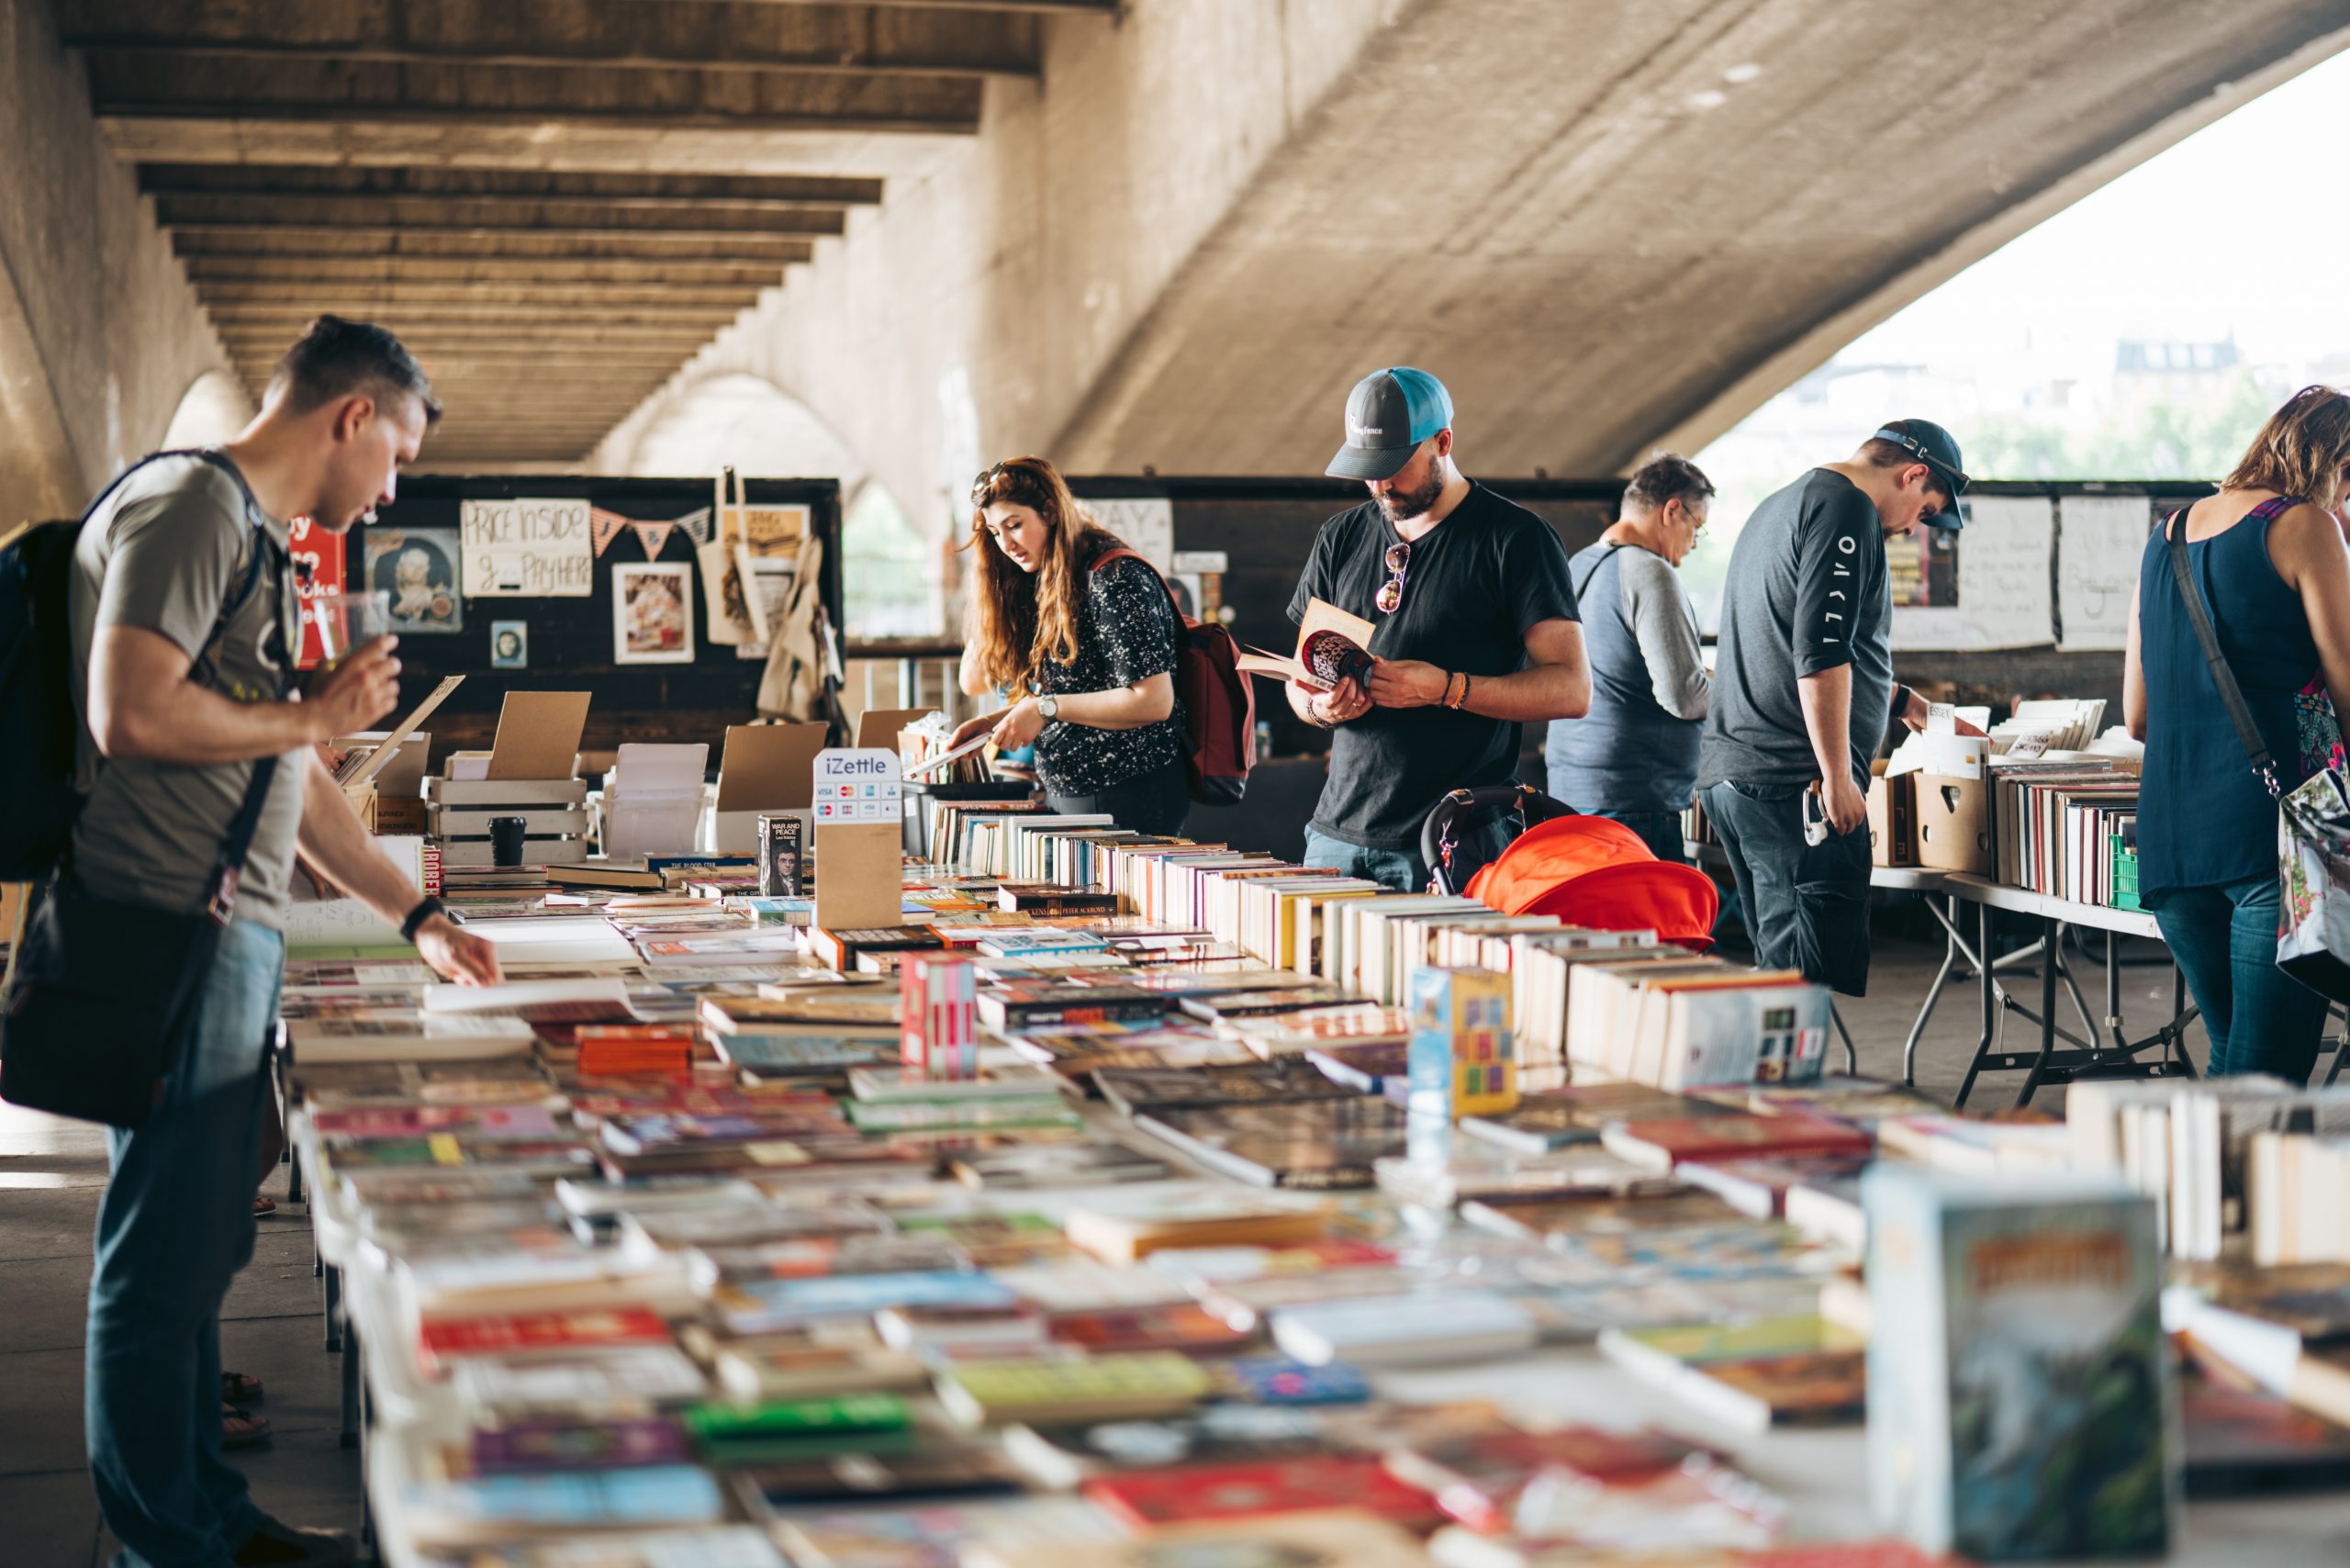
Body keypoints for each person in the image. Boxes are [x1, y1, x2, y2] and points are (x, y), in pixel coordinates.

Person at [68, 316, 503, 1568]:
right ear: (352, 418)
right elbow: (131, 709)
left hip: (220, 930)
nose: (396, 488)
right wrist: (309, 714)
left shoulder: (252, 540)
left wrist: (416, 916)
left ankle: (207, 1516)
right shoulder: (194, 511)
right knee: (158, 1255)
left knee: (199, 1245)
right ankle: (168, 1538)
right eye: (401, 453)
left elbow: (294, 779)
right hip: (164, 928)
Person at [1695, 420, 1973, 995]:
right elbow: (1819, 651)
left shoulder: (1786, 502)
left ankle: (1779, 1081)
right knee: (1799, 986)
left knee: (1783, 972)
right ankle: (1784, 1087)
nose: (1910, 529)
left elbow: (1786, 642)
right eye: (1923, 512)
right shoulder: (1848, 511)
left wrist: (1900, 702)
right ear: (1913, 474)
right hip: (1792, 784)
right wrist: (1837, 774)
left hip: (1742, 776)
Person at [1288, 367, 1588, 890]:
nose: (1380, 485)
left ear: (1443, 441)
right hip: (1335, 835)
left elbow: (1571, 689)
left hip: (1450, 839)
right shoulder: (1339, 536)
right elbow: (1299, 678)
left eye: (1394, 467)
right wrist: (1319, 707)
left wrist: (1445, 689)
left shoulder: (1516, 539)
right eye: (1366, 469)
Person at [2125, 385, 2350, 1081]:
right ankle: (2228, 1192)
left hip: (2172, 845)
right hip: (2275, 842)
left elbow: (2136, 715)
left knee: (2234, 1062)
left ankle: (2210, 1190)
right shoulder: (2304, 525)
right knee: (2264, 1084)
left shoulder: (2166, 535)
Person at [950, 456, 1190, 834]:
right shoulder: (1050, 577)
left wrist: (1042, 708)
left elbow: (1154, 701)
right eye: (995, 533)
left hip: (1126, 790)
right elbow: (1076, 692)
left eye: (1015, 525)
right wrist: (992, 722)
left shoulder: (1114, 577)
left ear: (1050, 512)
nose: (1006, 545)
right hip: (1072, 790)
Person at [1544, 452, 1716, 863]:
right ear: (1673, 510)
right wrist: (1746, 691)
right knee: (1645, 925)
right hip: (1634, 800)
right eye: (1697, 527)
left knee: (1595, 924)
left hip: (1571, 789)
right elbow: (1684, 696)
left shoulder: (1580, 564)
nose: (1693, 544)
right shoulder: (1649, 571)